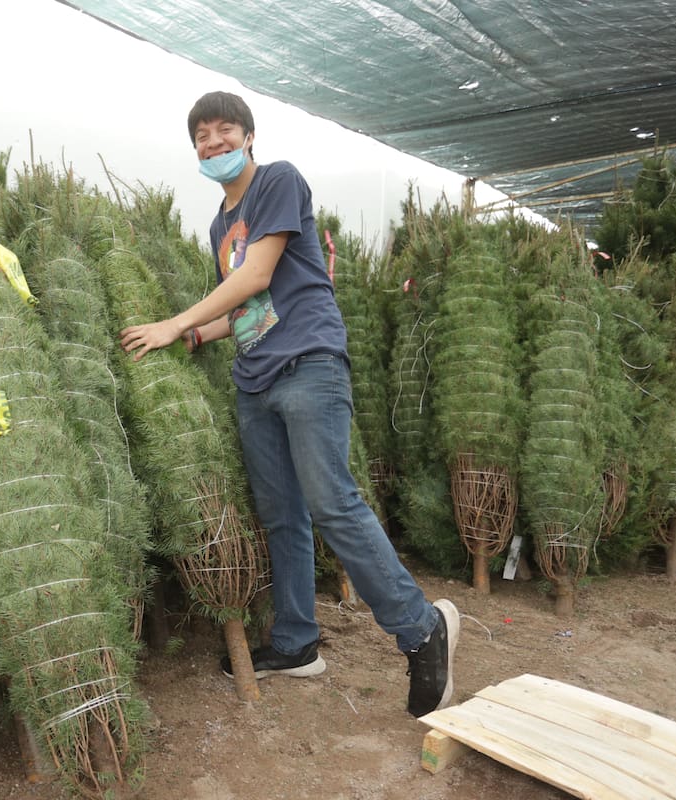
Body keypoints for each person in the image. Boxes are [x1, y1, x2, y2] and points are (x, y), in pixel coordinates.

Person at [119, 90, 459, 717]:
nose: (213, 143)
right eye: (201, 136)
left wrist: (172, 322)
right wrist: (195, 333)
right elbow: (247, 307)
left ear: (249, 136)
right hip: (255, 381)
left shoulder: (277, 181)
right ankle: (297, 644)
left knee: (332, 502)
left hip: (307, 366)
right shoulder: (221, 225)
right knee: (283, 517)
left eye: (225, 131)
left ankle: (420, 628)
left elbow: (252, 277)